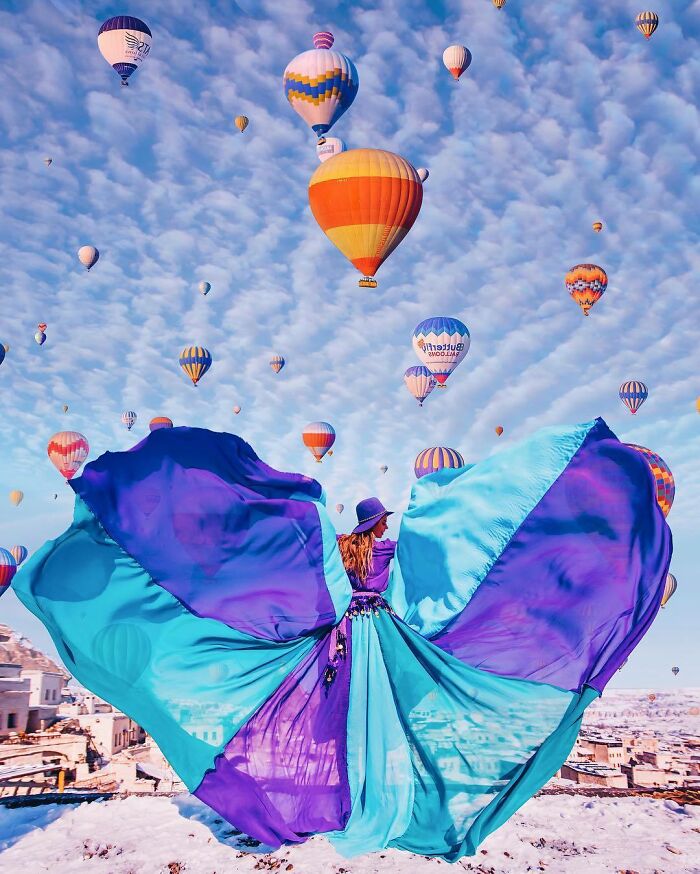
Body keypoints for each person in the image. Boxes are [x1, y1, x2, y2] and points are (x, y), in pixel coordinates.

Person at [10, 420, 671, 861]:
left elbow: (303, 573)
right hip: (384, 641)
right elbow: (426, 570)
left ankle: (303, 801)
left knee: (320, 727)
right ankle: (378, 797)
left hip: (331, 647)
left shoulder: (335, 554)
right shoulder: (380, 556)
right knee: (387, 725)